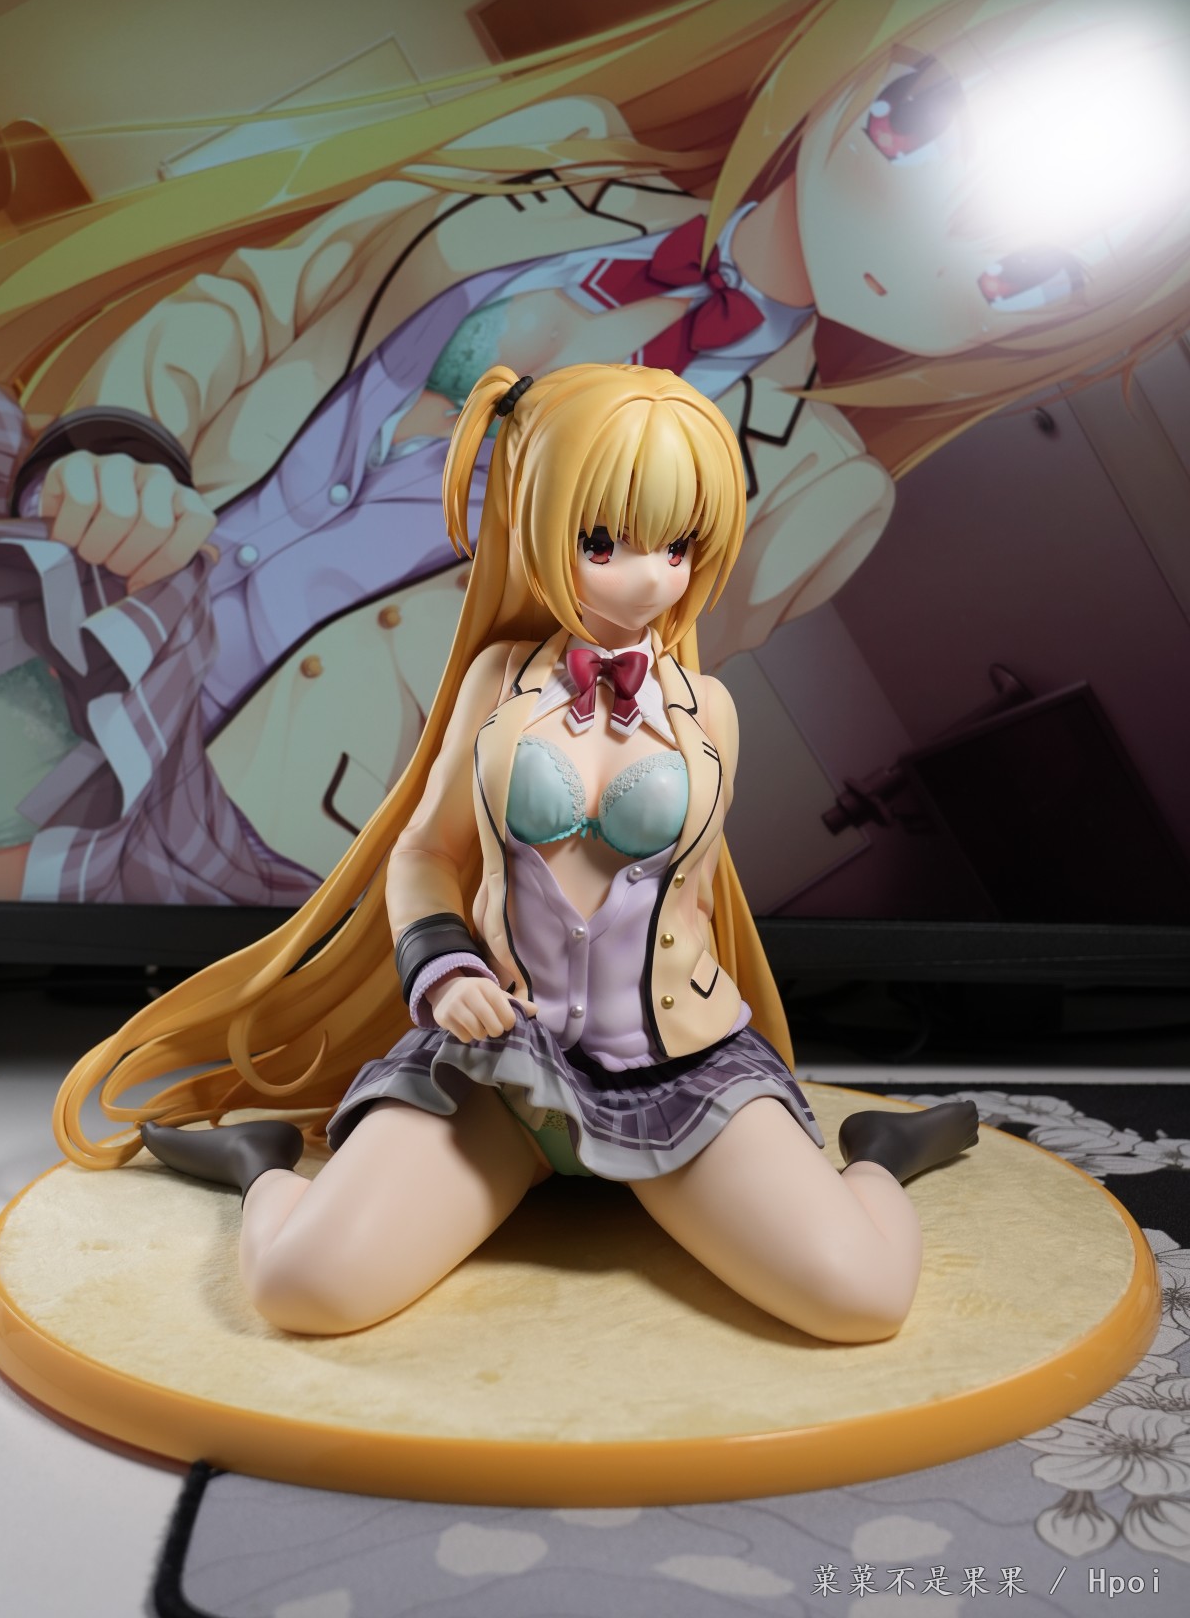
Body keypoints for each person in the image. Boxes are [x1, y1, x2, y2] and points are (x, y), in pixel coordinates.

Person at [0, 0, 1189, 898]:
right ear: (855, 55)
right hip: (97, 565)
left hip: (272, 788)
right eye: (917, 120)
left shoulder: (821, 488)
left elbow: (603, 699)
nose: (935, 244)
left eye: (1031, 273)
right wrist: (121, 438)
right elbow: (271, 291)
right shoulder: (569, 146)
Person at [53, 362, 977, 1342]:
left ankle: (878, 1154)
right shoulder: (498, 681)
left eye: (677, 545)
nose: (646, 577)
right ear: (537, 524)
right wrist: (445, 969)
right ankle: (263, 1166)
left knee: (863, 1299)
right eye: (602, 542)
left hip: (680, 1074)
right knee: (299, 1287)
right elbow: (422, 853)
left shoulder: (709, 711)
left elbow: (697, 899)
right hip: (498, 1069)